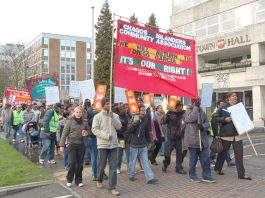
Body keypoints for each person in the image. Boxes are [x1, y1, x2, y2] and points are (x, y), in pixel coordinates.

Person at [213, 92, 251, 180]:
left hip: (237, 135)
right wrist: (224, 119)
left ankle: (241, 174)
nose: (235, 97)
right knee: (222, 154)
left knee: (239, 155)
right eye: (233, 96)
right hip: (226, 135)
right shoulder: (223, 106)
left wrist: (246, 124)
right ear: (228, 98)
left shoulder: (239, 106)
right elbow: (215, 117)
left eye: (236, 96)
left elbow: (244, 117)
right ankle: (217, 169)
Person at [92, 98, 122, 196]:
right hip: (102, 144)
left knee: (113, 167)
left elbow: (119, 127)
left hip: (113, 145)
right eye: (107, 104)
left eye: (110, 104)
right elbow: (94, 130)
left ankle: (112, 187)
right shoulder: (97, 117)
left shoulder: (115, 115)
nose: (109, 105)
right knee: (102, 165)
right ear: (103, 105)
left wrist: (112, 117)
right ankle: (99, 179)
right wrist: (105, 136)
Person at [183, 97, 215, 183]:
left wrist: (203, 126)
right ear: (193, 102)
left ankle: (206, 176)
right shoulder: (188, 111)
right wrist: (196, 108)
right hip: (193, 140)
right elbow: (190, 119)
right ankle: (192, 175)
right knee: (193, 160)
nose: (199, 102)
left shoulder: (202, 112)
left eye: (199, 101)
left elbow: (207, 123)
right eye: (197, 101)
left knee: (205, 160)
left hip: (203, 140)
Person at [126, 105, 158, 184]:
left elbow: (147, 132)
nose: (144, 112)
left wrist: (150, 141)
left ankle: (150, 178)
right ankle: (131, 175)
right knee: (132, 162)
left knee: (145, 163)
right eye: (142, 110)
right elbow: (129, 130)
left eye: (144, 110)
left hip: (143, 146)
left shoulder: (146, 120)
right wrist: (135, 122)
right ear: (138, 111)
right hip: (134, 146)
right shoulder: (133, 119)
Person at [60, 106, 89, 187]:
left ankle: (78, 180)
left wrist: (86, 133)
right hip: (71, 144)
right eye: (77, 112)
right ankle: (69, 179)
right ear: (74, 113)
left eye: (80, 112)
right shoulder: (69, 122)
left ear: (82, 113)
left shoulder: (84, 122)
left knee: (80, 164)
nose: (78, 114)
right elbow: (64, 134)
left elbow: (88, 131)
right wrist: (61, 145)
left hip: (81, 145)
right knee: (72, 163)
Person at [162, 103, 186, 174]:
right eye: (179, 106)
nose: (180, 108)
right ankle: (165, 164)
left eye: (181, 106)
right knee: (167, 154)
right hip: (170, 137)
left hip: (179, 137)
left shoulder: (184, 113)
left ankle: (178, 167)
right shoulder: (170, 113)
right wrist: (166, 114)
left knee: (179, 154)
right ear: (175, 107)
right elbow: (163, 122)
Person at [116, 104, 130, 174]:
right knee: (119, 153)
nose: (125, 109)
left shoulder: (127, 116)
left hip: (127, 138)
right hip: (120, 138)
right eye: (123, 108)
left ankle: (129, 168)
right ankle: (118, 167)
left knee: (128, 153)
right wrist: (125, 127)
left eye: (125, 108)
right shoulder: (117, 117)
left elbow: (129, 125)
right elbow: (119, 128)